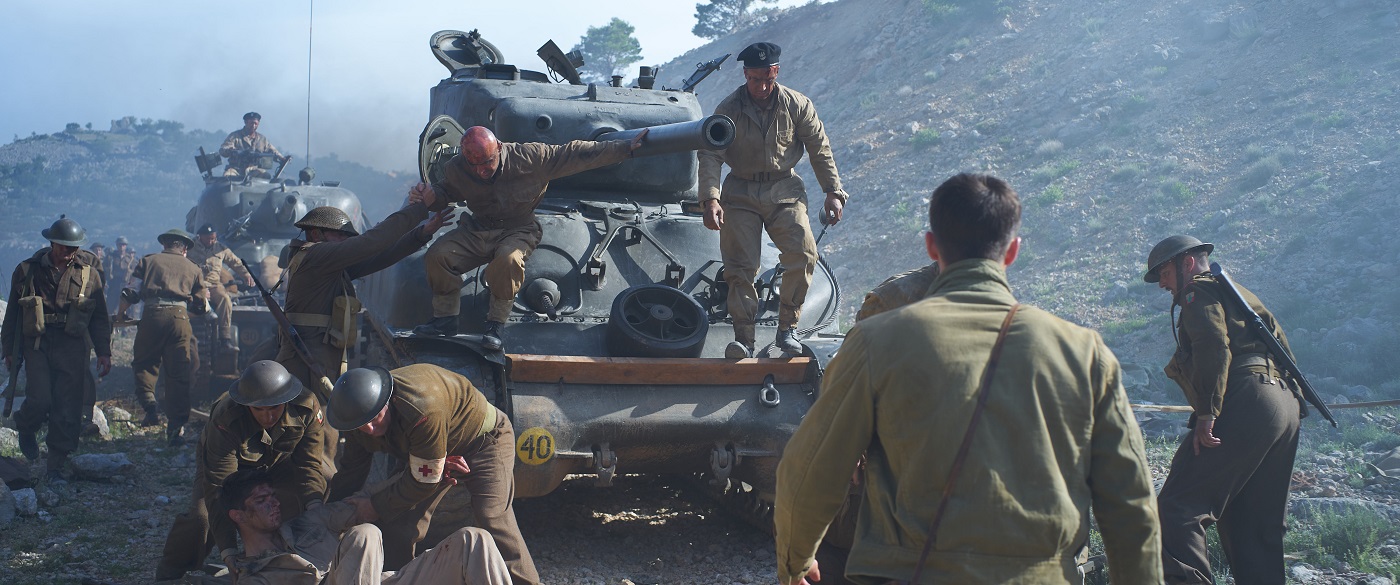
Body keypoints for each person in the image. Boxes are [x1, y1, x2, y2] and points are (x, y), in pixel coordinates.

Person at [773, 174, 1161, 584]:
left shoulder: (876, 341)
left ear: (931, 246)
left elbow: (808, 470)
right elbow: (1130, 502)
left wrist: (794, 564)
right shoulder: (1084, 352)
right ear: (1012, 251)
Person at [1144, 235, 1302, 584]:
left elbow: (1213, 346)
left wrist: (1207, 413)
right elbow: (1282, 348)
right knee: (1252, 521)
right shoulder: (1238, 292)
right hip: (1283, 403)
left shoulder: (1196, 291)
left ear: (1187, 263)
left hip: (1245, 397)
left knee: (1177, 507)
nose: (1163, 284)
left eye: (1165, 273)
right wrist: (1290, 409)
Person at [406, 125, 648, 349]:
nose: (481, 171)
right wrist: (429, 196)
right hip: (478, 228)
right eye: (474, 165)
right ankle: (445, 320)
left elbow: (575, 153)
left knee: (508, 259)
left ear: (499, 148)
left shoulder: (531, 158)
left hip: (518, 228)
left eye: (487, 163)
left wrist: (623, 147)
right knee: (438, 255)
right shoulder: (458, 167)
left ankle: (495, 325)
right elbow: (447, 191)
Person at [698, 41, 850, 358]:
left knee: (804, 254)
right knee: (740, 267)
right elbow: (711, 155)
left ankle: (787, 330)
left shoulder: (797, 105)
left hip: (785, 190)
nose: (762, 87)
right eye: (755, 79)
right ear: (745, 75)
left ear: (776, 72)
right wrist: (711, 199)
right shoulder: (729, 108)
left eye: (767, 79)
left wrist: (833, 191)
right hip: (740, 193)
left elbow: (819, 148)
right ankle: (744, 340)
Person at [325, 363, 539, 585]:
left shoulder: (420, 408)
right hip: (428, 448)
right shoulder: (358, 416)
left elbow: (423, 481)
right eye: (363, 424)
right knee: (399, 519)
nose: (370, 429)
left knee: (491, 516)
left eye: (375, 418)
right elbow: (351, 471)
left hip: (483, 441)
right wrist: (330, 515)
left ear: (386, 402)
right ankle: (398, 577)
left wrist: (374, 505)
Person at [155, 360, 328, 582]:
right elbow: (219, 487)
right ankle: (169, 574)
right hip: (233, 471)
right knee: (202, 519)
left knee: (319, 492)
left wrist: (315, 510)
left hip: (280, 463)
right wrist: (228, 552)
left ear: (286, 401)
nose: (268, 417)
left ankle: (293, 565)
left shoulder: (306, 406)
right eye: (259, 409)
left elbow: (309, 466)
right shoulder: (225, 418)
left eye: (274, 408)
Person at [277, 198, 449, 402]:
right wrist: (420, 209)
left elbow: (381, 257)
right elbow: (371, 242)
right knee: (308, 412)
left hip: (316, 355)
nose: (345, 240)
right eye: (339, 235)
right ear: (316, 234)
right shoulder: (317, 256)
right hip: (307, 359)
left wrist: (421, 234)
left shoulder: (326, 264)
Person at [221, 468, 512, 585]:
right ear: (238, 516)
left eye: (273, 496)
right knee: (366, 534)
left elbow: (365, 500)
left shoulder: (307, 523)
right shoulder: (252, 577)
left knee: (473, 540)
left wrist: (426, 476)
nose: (274, 504)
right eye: (261, 501)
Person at [2, 217, 112, 483]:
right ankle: (26, 426)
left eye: (73, 247)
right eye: (63, 246)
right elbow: (13, 315)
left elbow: (99, 316)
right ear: (52, 243)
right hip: (37, 343)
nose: (68, 252)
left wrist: (104, 351)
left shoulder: (89, 274)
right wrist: (9, 350)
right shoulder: (27, 270)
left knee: (67, 405)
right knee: (40, 398)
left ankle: (55, 466)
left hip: (72, 345)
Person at [125, 228, 207, 444]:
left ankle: (150, 406)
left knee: (144, 362)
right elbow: (201, 305)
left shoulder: (148, 261)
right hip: (180, 319)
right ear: (185, 249)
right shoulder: (193, 268)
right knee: (179, 372)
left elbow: (130, 292)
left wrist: (121, 314)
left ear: (165, 245)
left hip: (152, 315)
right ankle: (175, 429)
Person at [188, 223, 255, 350]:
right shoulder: (190, 246)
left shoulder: (221, 249)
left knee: (225, 299)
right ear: (200, 236)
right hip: (195, 285)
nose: (211, 241)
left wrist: (246, 274)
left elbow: (235, 262)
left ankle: (225, 337)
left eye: (213, 238)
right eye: (208, 238)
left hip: (214, 285)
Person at [220, 112, 290, 179]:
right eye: (251, 123)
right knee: (227, 176)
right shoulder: (235, 136)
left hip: (254, 170)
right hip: (236, 169)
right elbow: (223, 149)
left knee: (266, 176)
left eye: (255, 124)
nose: (253, 126)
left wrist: (282, 158)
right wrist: (232, 151)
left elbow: (272, 151)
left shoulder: (262, 139)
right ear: (246, 122)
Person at [105, 235, 139, 312]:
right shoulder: (111, 257)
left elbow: (134, 273)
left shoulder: (130, 259)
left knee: (127, 305)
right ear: (117, 245)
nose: (121, 247)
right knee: (111, 304)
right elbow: (105, 269)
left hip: (125, 284)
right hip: (114, 283)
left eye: (123, 245)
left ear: (126, 246)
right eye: (120, 244)